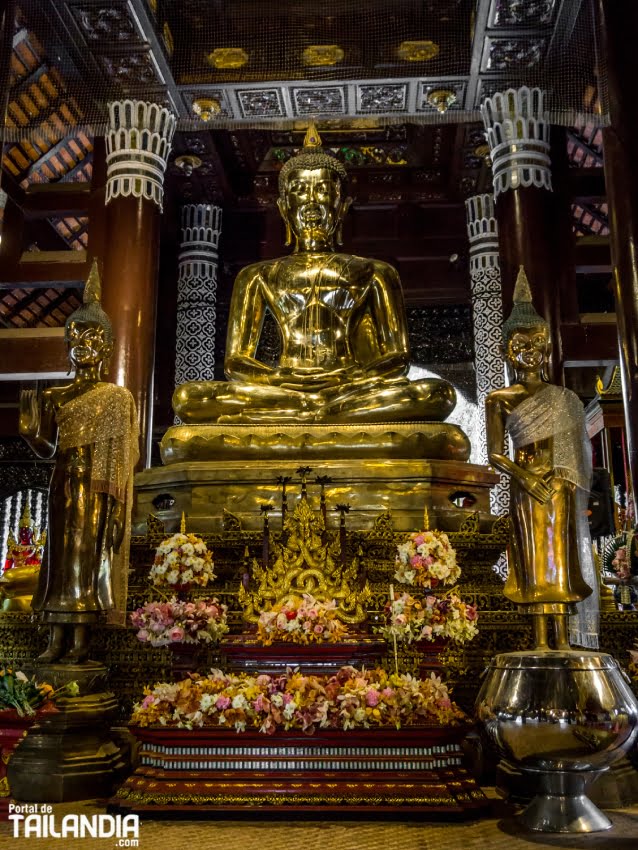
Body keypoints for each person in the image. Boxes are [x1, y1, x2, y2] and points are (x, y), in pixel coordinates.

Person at [173, 124, 455, 425]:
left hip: (350, 385)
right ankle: (313, 408)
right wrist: (277, 377)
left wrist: (354, 378)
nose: (311, 202)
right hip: (284, 386)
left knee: (436, 394)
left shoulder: (375, 272)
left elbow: (397, 358)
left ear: (342, 207)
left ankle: (311, 412)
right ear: (284, 208)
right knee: (189, 399)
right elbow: (236, 362)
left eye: (323, 191)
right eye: (300, 191)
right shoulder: (257, 275)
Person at [19, 260, 139, 664]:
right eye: (75, 337)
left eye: (91, 338)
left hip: (96, 490)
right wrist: (31, 433)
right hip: (62, 484)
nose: (82, 345)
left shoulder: (117, 397)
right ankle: (54, 638)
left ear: (106, 345)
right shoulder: (54, 396)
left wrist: (120, 507)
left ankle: (81, 643)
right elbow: (49, 450)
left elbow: (122, 458)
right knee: (57, 558)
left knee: (85, 559)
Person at [485, 267, 598, 650]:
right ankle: (538, 640)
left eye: (535, 345)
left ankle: (564, 639)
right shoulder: (500, 399)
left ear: (547, 348)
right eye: (519, 346)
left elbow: (574, 451)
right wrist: (524, 476)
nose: (527, 353)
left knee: (560, 560)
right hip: (525, 485)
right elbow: (495, 453)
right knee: (533, 559)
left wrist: (561, 478)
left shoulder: (564, 398)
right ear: (506, 350)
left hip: (559, 486)